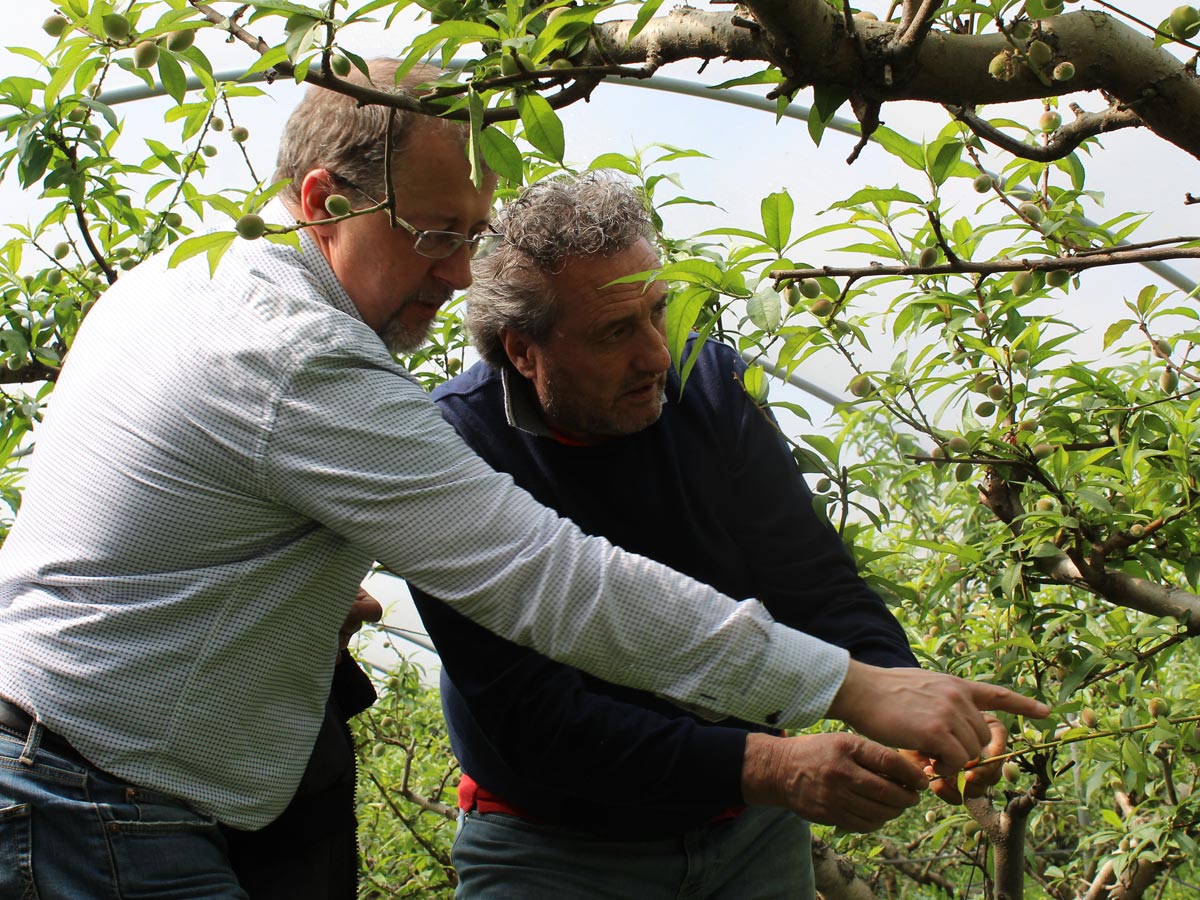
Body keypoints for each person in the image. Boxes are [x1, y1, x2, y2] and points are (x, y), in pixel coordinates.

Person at [0, 60, 1047, 899]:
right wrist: (852, 689)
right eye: (435, 234)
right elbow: (552, 584)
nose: (459, 270)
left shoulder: (185, 279)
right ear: (322, 201)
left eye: (471, 232)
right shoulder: (303, 359)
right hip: (102, 808)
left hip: (92, 778)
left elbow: (806, 567)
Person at [411, 172, 1016, 898]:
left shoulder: (709, 383)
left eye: (659, 313)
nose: (657, 357)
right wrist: (771, 766)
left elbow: (810, 578)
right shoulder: (454, 451)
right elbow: (535, 719)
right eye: (614, 333)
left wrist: (906, 696)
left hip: (749, 836)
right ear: (522, 351)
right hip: (554, 852)